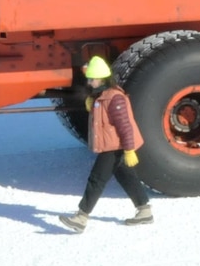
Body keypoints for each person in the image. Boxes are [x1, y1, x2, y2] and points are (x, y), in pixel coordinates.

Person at [55, 54, 153, 231]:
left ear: (102, 79)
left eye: (93, 79)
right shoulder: (102, 96)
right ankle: (144, 211)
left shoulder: (115, 99)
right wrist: (92, 105)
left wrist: (129, 150)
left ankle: (81, 217)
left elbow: (125, 126)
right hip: (113, 145)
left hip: (115, 147)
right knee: (126, 176)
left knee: (96, 180)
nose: (90, 82)